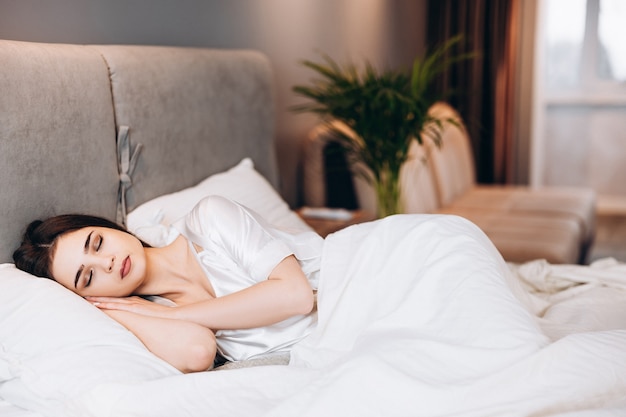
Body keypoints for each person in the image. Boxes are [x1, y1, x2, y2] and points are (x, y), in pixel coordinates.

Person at [13, 195, 324, 373]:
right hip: (326, 347)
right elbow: (198, 352)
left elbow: (296, 296)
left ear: (108, 226)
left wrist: (174, 315)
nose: (106, 262)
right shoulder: (154, 314)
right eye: (89, 278)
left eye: (97, 243)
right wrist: (111, 310)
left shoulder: (209, 219)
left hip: (356, 280)